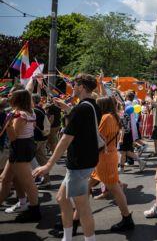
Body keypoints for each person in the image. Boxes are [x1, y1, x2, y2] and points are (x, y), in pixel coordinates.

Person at [33, 74, 101, 241]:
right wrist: (68, 109)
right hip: (85, 160)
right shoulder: (92, 106)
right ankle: (67, 237)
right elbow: (82, 126)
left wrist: (48, 165)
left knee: (82, 208)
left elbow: (65, 139)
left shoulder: (81, 108)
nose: (72, 87)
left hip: (79, 163)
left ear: (82, 87)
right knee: (61, 198)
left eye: (75, 85)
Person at [88, 96, 135, 231]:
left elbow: (97, 137)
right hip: (109, 154)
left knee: (114, 189)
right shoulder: (113, 116)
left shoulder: (106, 118)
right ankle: (75, 218)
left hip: (105, 156)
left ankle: (127, 218)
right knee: (87, 185)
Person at [0, 89, 41, 222]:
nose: (8, 98)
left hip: (20, 148)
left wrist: (8, 123)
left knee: (28, 182)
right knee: (5, 179)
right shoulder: (29, 111)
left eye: (11, 96)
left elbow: (13, 137)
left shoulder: (20, 115)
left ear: (17, 100)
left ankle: (35, 211)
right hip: (23, 147)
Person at [32, 94, 51, 188]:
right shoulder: (40, 109)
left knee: (29, 160)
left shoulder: (33, 111)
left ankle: (32, 181)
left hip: (36, 138)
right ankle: (46, 180)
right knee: (42, 159)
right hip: (42, 137)